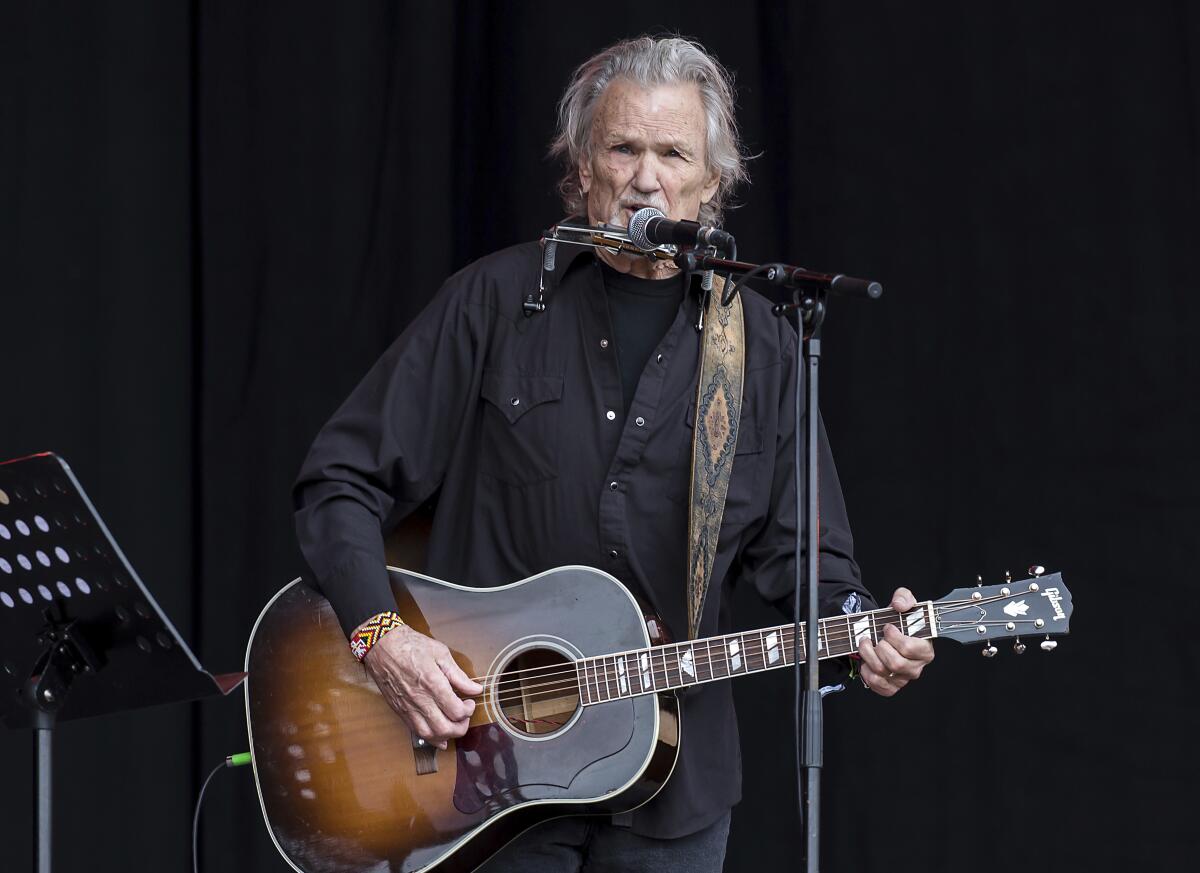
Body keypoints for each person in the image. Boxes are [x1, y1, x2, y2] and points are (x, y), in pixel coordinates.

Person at [293, 35, 934, 873]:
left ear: (712, 184)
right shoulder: (493, 303)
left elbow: (807, 561)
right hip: (482, 782)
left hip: (675, 796)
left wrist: (862, 629)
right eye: (622, 148)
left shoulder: (765, 349)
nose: (645, 178)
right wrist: (382, 637)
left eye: (673, 154)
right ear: (580, 171)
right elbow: (338, 479)